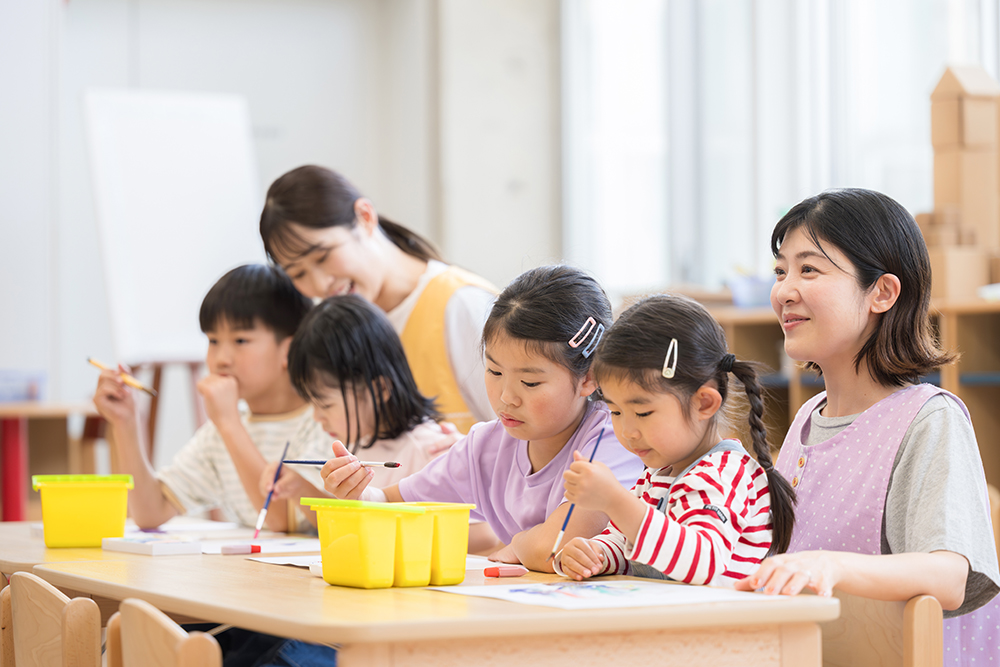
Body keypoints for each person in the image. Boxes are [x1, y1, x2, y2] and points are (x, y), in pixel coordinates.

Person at [733, 189, 1000, 661]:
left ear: (882, 292)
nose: (783, 290)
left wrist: (830, 566)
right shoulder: (806, 419)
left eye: (808, 268)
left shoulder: (929, 418)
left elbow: (950, 576)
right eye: (781, 270)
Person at [321, 265, 646, 572]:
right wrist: (358, 493)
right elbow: (392, 504)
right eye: (494, 371)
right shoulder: (486, 445)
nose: (507, 397)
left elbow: (556, 545)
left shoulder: (612, 438)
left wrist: (517, 546)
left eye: (530, 382)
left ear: (590, 377)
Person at [552, 294, 795, 586]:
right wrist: (597, 553)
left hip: (726, 627)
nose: (627, 431)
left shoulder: (723, 473)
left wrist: (615, 500)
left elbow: (701, 562)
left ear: (704, 404)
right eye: (615, 411)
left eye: (642, 412)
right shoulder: (659, 471)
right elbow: (629, 543)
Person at [92, 264, 330, 532]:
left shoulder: (325, 421)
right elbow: (150, 512)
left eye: (240, 341)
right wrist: (126, 422)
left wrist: (229, 423)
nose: (220, 359)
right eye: (213, 341)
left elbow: (278, 521)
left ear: (290, 348)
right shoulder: (221, 431)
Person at [259, 165, 495, 433]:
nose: (319, 284)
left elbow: (526, 446)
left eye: (323, 256)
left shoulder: (462, 305)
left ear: (365, 216)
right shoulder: (340, 331)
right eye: (298, 273)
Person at [259, 294, 451, 508]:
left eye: (325, 405)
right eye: (312, 404)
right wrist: (299, 487)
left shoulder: (432, 452)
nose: (317, 417)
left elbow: (481, 534)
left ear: (379, 390)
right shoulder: (356, 445)